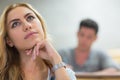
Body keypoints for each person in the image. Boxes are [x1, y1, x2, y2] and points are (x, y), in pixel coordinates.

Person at [0, 3, 76, 80]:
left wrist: (56, 59)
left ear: (41, 25)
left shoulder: (64, 73)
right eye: (15, 24)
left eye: (30, 18)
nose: (27, 25)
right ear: (9, 41)